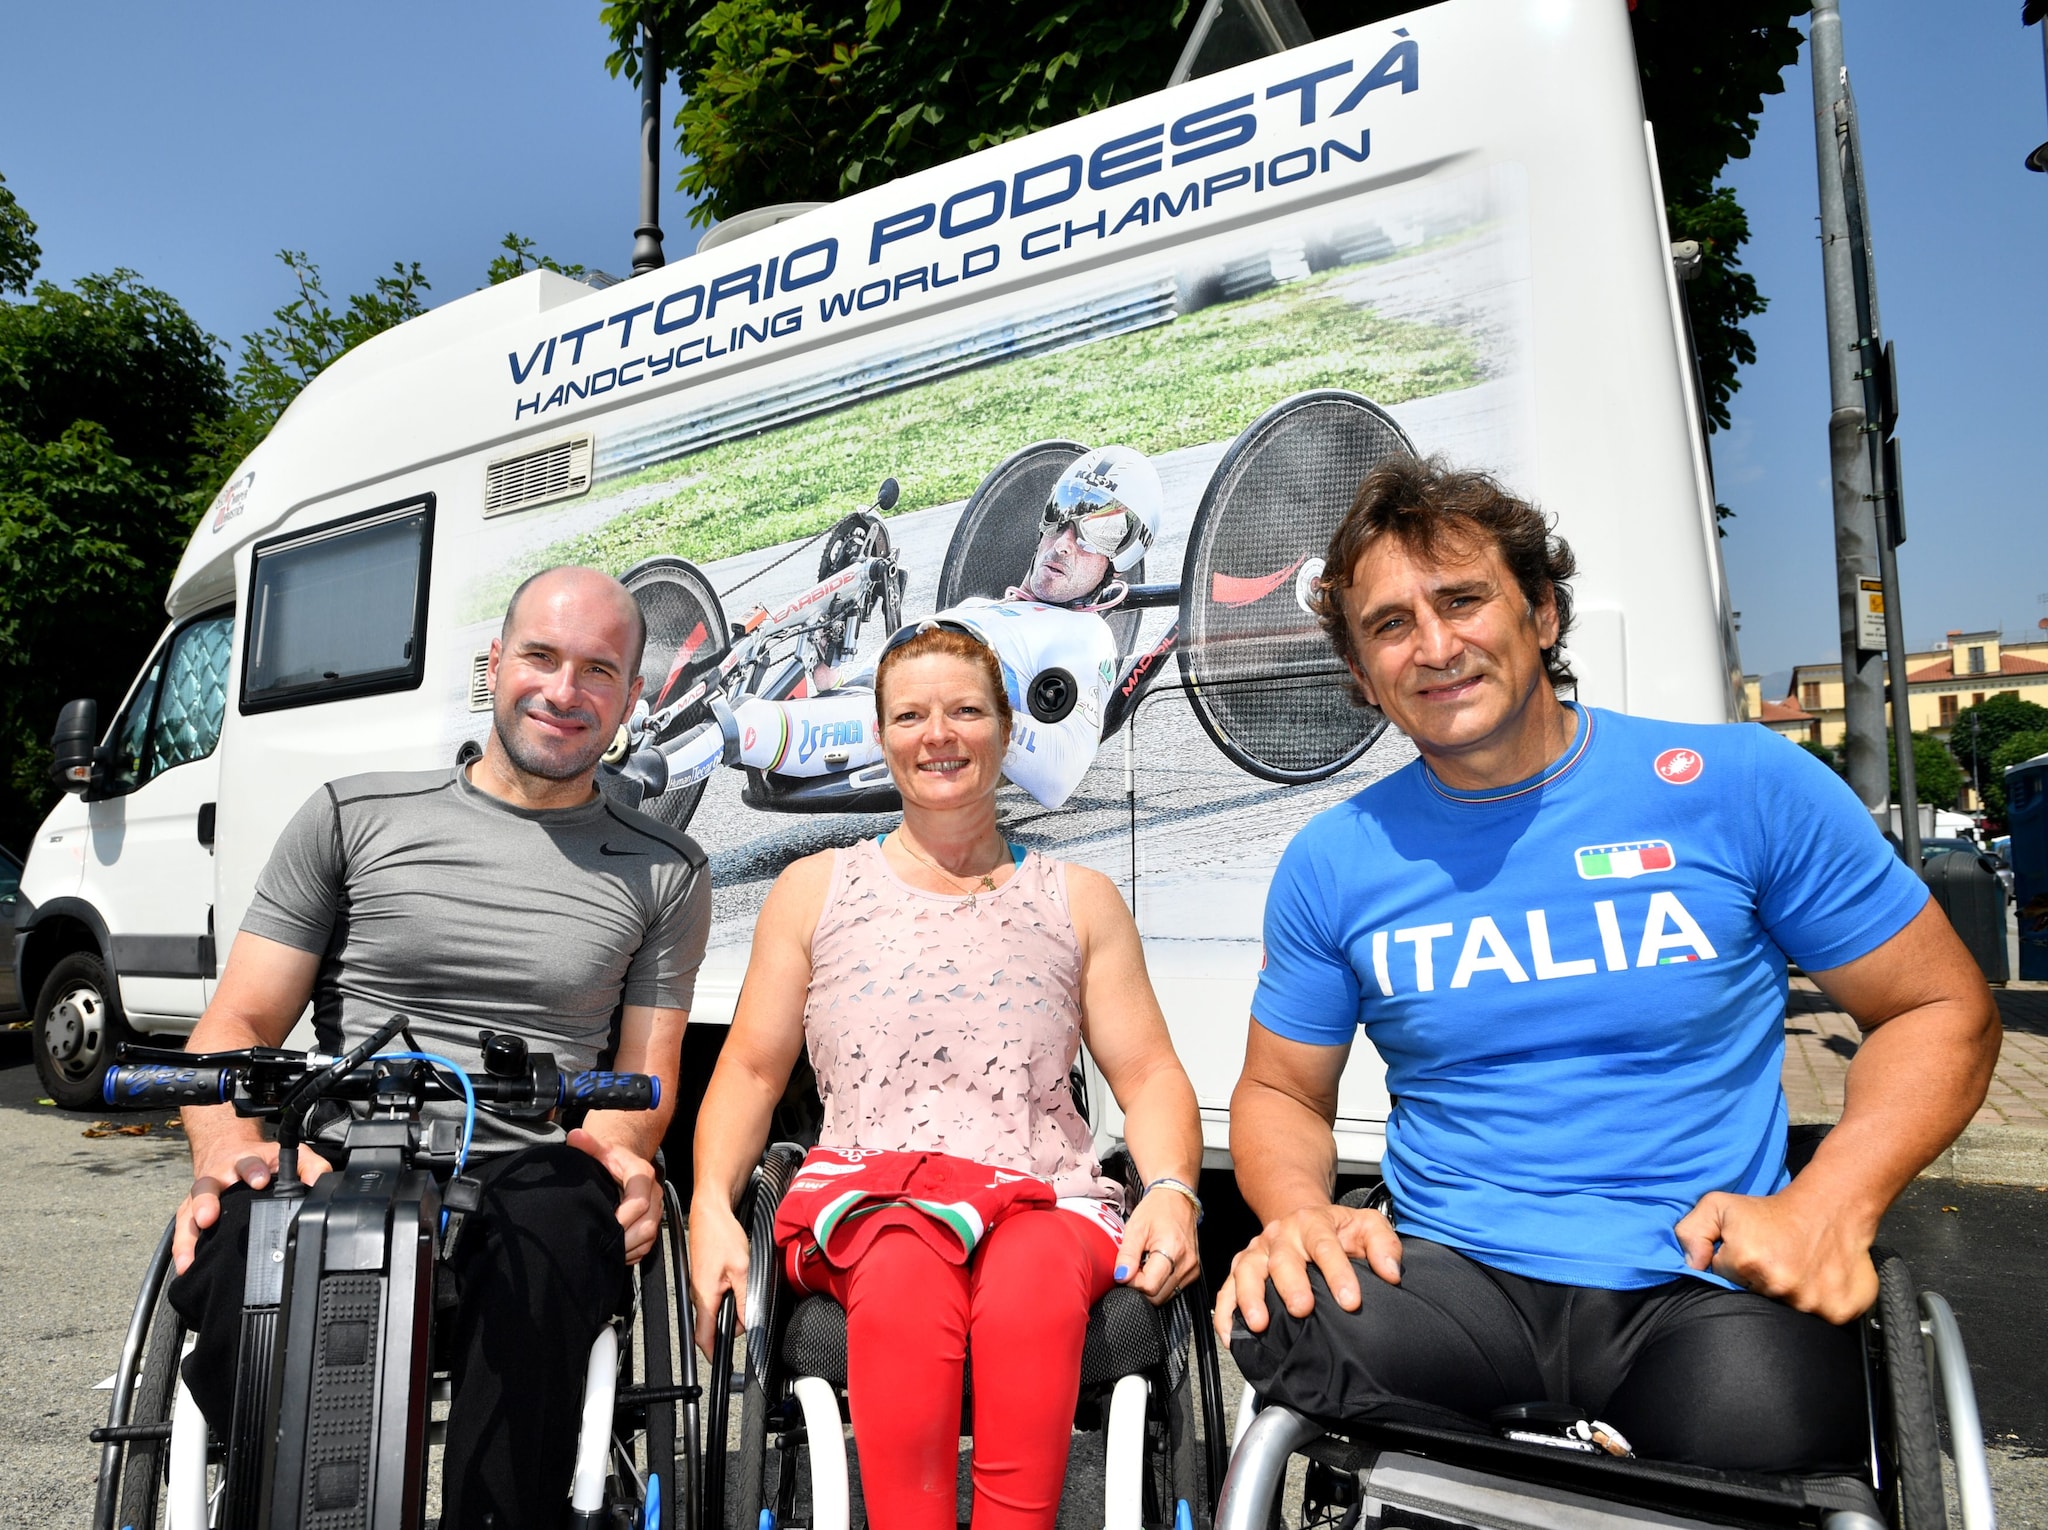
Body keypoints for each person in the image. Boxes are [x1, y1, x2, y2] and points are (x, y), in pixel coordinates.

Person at [1217, 457, 2001, 1473]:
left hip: (1694, 1277)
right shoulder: (1335, 860)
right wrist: (1298, 1217)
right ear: (1362, 675)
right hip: (1454, 1277)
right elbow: (1280, 1088)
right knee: (1283, 1323)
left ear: (1540, 613)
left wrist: (1827, 1206)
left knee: (1763, 1420)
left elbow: (1938, 1009)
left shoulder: (1738, 786)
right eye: (1390, 624)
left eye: (1461, 601)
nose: (1436, 645)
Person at [168, 566, 711, 1529]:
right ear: (493, 663)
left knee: (557, 1242)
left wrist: (624, 1155)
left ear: (632, 697)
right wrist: (228, 1151)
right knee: (244, 1249)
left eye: (598, 671)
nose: (563, 691)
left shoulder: (666, 872)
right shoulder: (354, 816)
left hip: (532, 1165)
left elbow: (645, 1076)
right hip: (339, 1152)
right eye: (541, 656)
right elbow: (236, 1025)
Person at [689, 621, 1203, 1530]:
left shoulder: (1075, 899)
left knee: (1035, 1283)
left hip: (1044, 1198)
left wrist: (1171, 1190)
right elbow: (752, 1069)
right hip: (870, 1199)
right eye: (911, 715)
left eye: (967, 710)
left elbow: (1152, 1074)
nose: (940, 735)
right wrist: (710, 1207)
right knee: (903, 1267)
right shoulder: (816, 891)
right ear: (881, 737)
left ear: (1006, 729)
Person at [646, 444, 1162, 811]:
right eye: (1062, 518)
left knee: (746, 721)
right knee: (750, 667)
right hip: (874, 692)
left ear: (1123, 553)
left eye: (1098, 531)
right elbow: (856, 687)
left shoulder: (1087, 637)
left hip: (911, 719)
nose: (1065, 543)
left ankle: (640, 777)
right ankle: (666, 702)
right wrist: (827, 670)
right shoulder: (988, 605)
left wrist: (973, 714)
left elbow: (1058, 779)